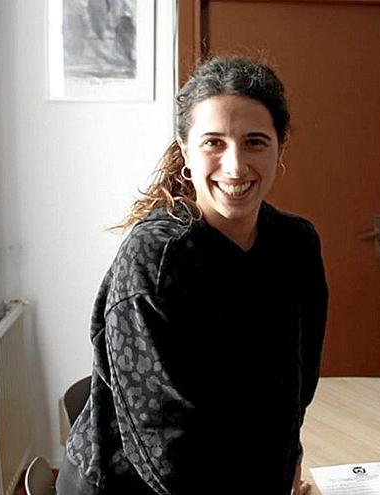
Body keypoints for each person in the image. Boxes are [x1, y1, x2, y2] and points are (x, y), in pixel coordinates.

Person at [58, 56, 328, 495]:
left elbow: (295, 386)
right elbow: (163, 448)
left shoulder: (296, 246)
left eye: (255, 141)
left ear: (280, 147)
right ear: (185, 151)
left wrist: (281, 469)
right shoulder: (156, 260)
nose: (236, 166)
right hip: (131, 483)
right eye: (214, 143)